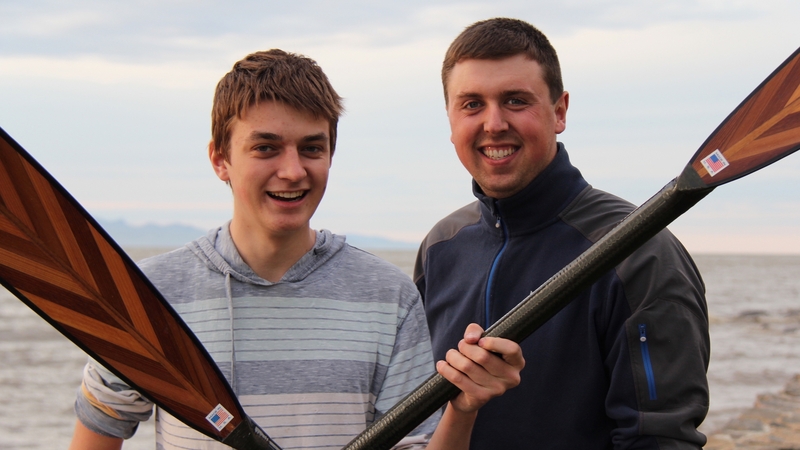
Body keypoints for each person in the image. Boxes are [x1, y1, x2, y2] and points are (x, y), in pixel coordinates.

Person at [68, 49, 524, 450]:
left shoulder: (387, 298)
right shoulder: (149, 295)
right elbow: (98, 433)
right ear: (219, 159)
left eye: (311, 148)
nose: (292, 171)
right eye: (266, 148)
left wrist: (462, 409)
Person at [415, 18, 709, 449]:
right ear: (450, 118)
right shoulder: (442, 246)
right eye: (472, 104)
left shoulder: (637, 252)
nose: (493, 124)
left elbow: (662, 439)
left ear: (560, 111)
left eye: (515, 101)